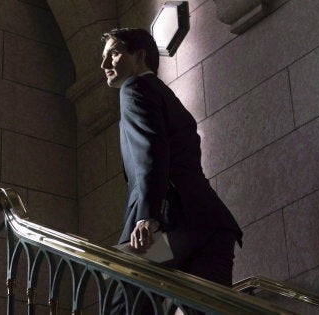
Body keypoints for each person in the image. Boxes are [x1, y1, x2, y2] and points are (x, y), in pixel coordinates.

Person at [101, 28, 243, 313]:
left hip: (172, 224)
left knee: (121, 300)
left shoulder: (134, 89)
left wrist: (148, 216)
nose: (104, 65)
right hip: (212, 226)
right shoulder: (168, 97)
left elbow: (150, 152)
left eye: (114, 54)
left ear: (139, 56)